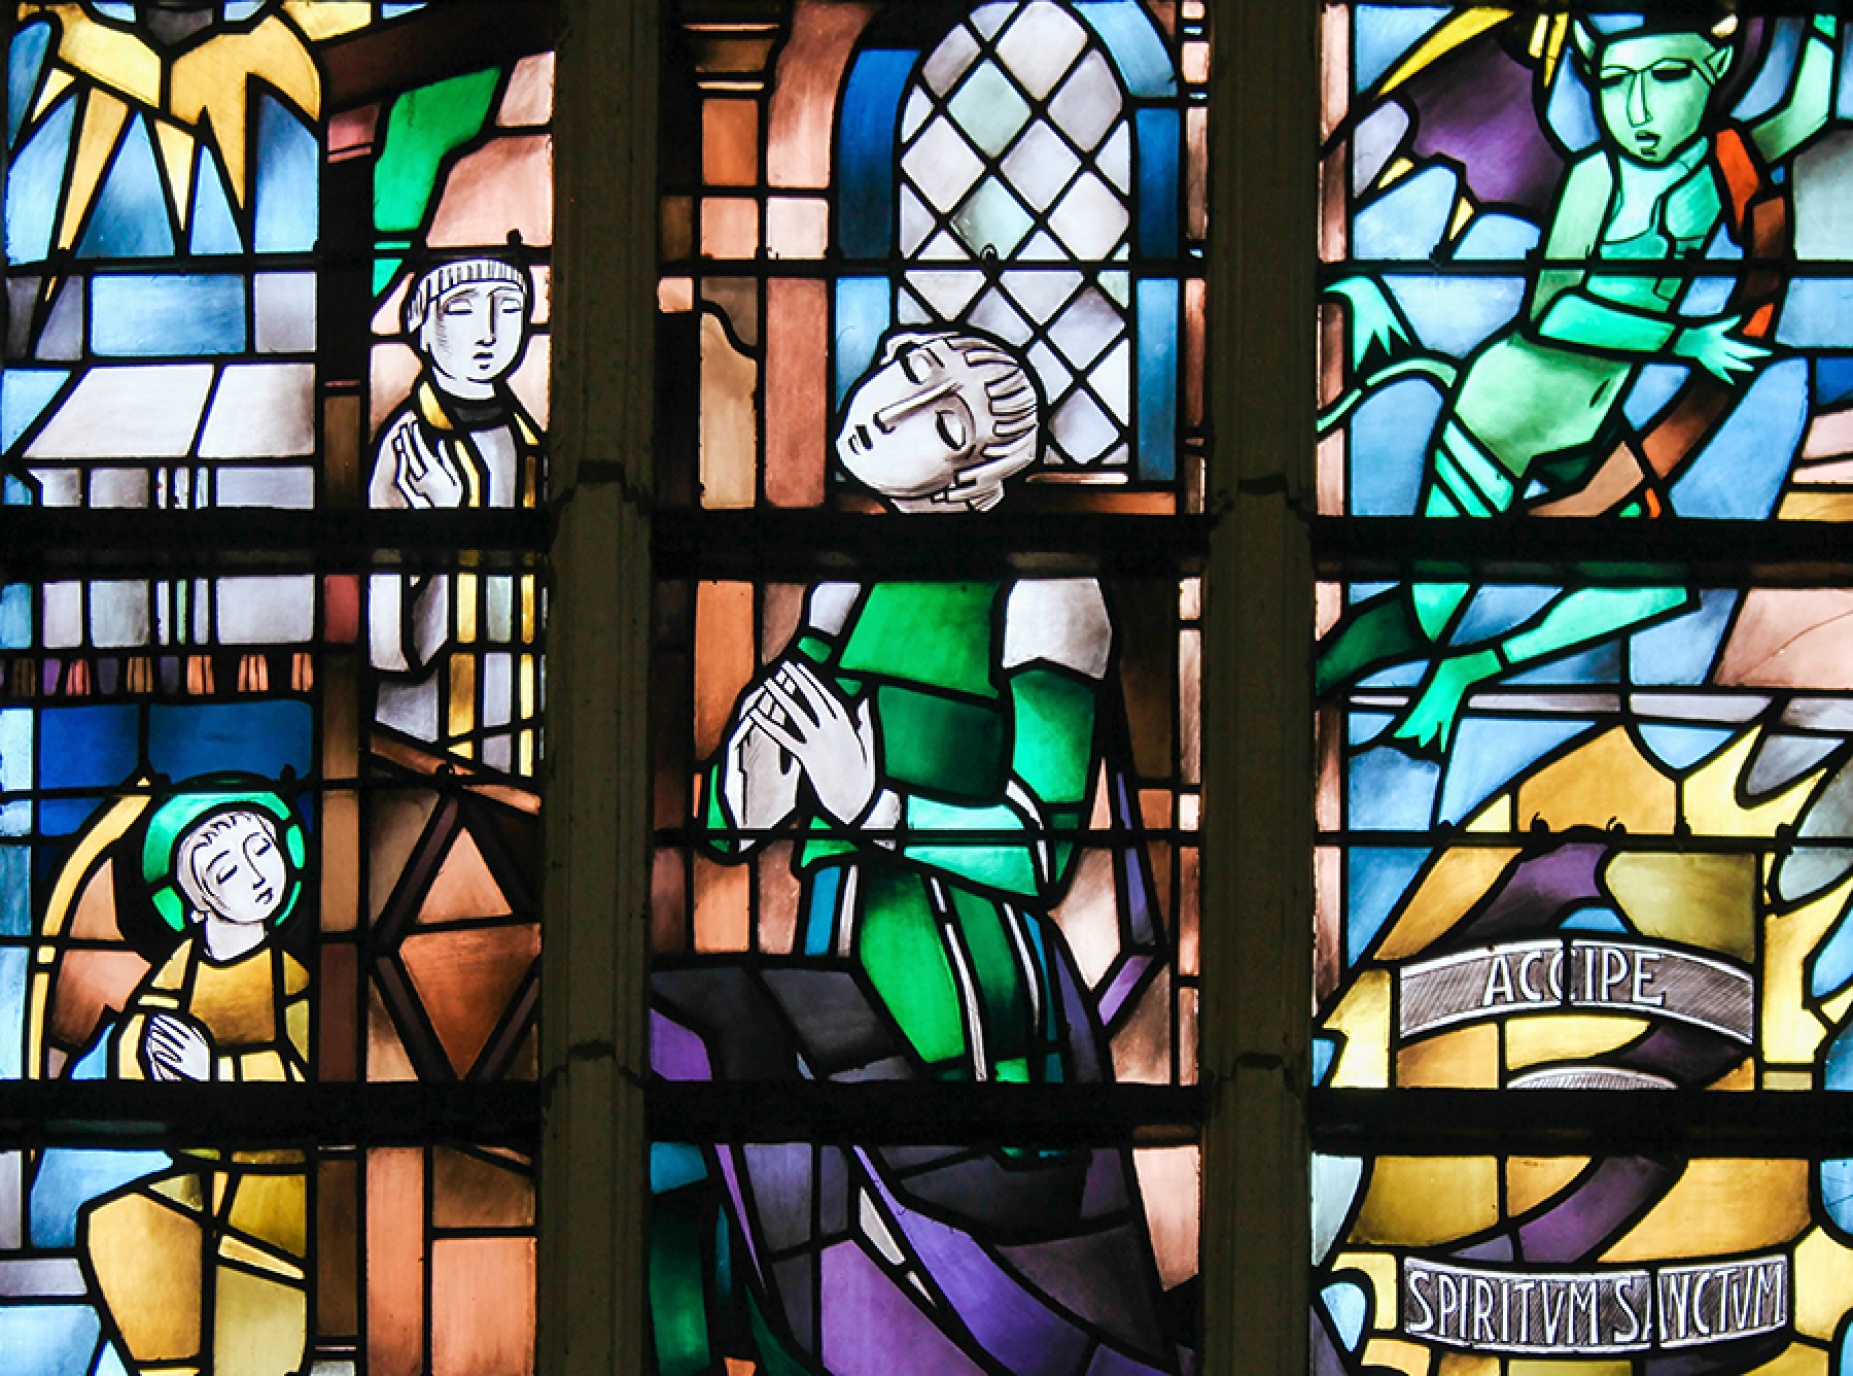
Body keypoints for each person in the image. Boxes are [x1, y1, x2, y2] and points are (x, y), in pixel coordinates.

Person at [656, 329, 1185, 1375]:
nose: (888, 416)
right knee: (672, 1043)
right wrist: (757, 779)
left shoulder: (1045, 588)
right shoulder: (844, 591)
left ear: (985, 474)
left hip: (970, 1007)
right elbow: (734, 825)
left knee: (939, 1303)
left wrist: (872, 800)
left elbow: (1039, 846)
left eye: (942, 420)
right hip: (831, 961)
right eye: (902, 373)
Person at [1318, 11, 1839, 755]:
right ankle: (1296, 691)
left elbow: (1807, 110)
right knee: (1420, 614)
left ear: (1713, 72)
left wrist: (1818, 20)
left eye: (1666, 78)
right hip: (1500, 420)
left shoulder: (1721, 167)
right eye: (1615, 83)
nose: (1637, 111)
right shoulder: (1598, 177)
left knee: (1654, 585)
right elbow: (1552, 307)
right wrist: (1684, 339)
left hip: (1588, 430)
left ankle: (1470, 671)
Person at [81, 779, 311, 1376]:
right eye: (227, 867)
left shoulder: (294, 980)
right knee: (120, 1223)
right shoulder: (177, 972)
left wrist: (216, 1073)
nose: (256, 872)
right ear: (195, 899)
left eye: (262, 849)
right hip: (202, 1172)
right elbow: (135, 1043)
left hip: (275, 1191)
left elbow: (312, 1083)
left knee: (246, 1289)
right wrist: (147, 1056)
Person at [369, 254, 542, 512]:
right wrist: (440, 514)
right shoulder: (409, 439)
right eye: (461, 309)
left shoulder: (527, 436)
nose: (488, 333)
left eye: (509, 308)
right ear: (421, 329)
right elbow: (385, 543)